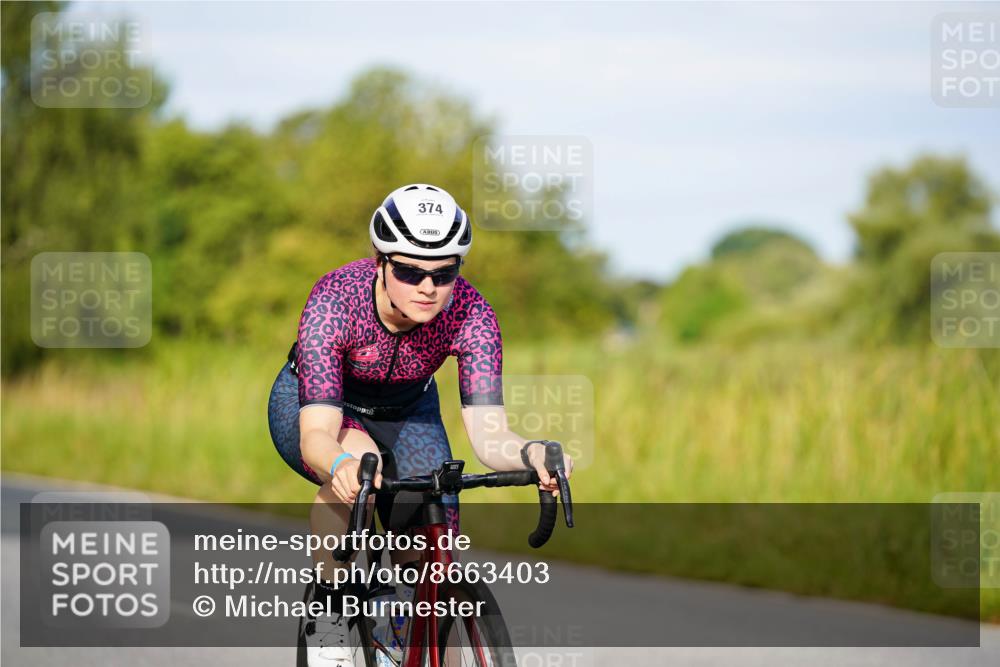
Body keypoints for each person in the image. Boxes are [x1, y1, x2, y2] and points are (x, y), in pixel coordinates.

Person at [267, 183, 575, 666]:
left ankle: (410, 636)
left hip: (409, 411)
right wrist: (341, 463)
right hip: (323, 405)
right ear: (381, 261)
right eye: (410, 272)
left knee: (432, 564)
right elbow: (317, 435)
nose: (428, 288)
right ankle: (329, 614)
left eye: (443, 272)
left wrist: (532, 453)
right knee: (362, 466)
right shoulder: (335, 301)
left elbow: (490, 434)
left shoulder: (471, 313)